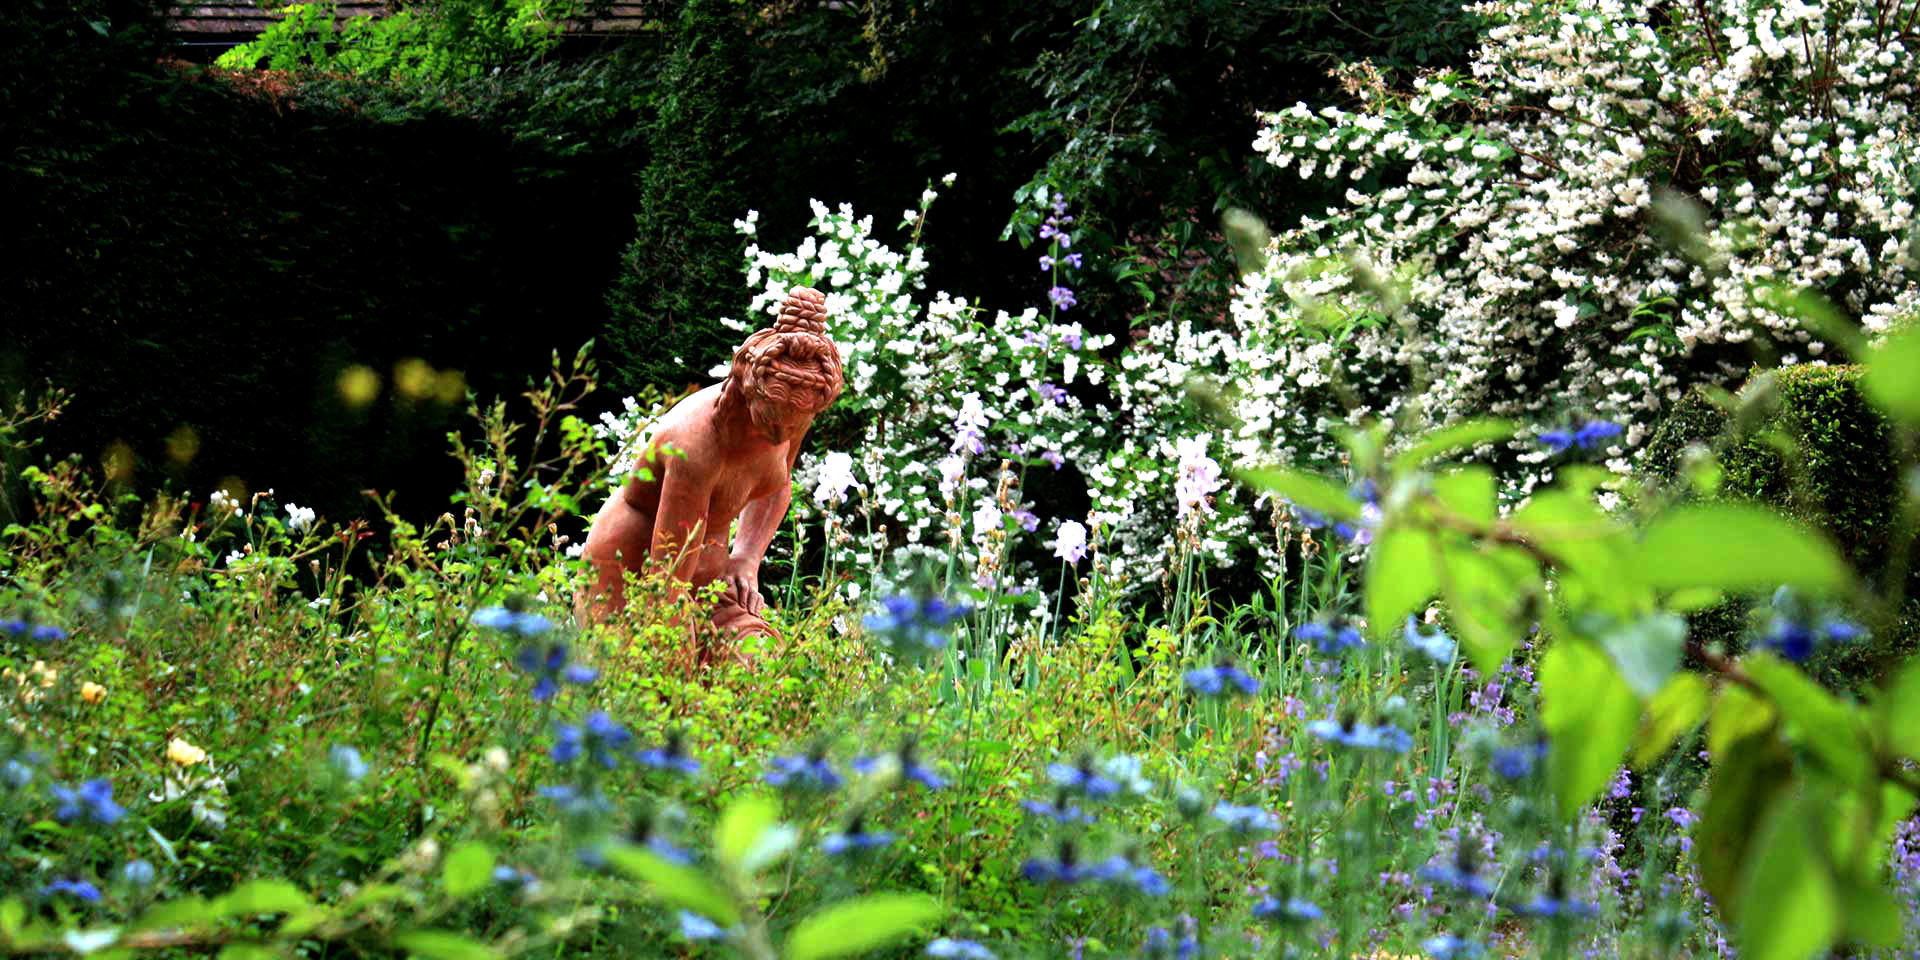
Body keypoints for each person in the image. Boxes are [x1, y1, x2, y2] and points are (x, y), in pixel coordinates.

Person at [579, 287, 844, 650]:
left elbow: (778, 481)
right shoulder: (696, 443)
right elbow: (668, 575)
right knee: (656, 683)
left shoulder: (793, 407)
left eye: (796, 423)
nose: (780, 435)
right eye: (770, 422)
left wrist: (747, 558)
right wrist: (674, 635)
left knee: (756, 665)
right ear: (749, 388)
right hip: (636, 572)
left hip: (709, 578)